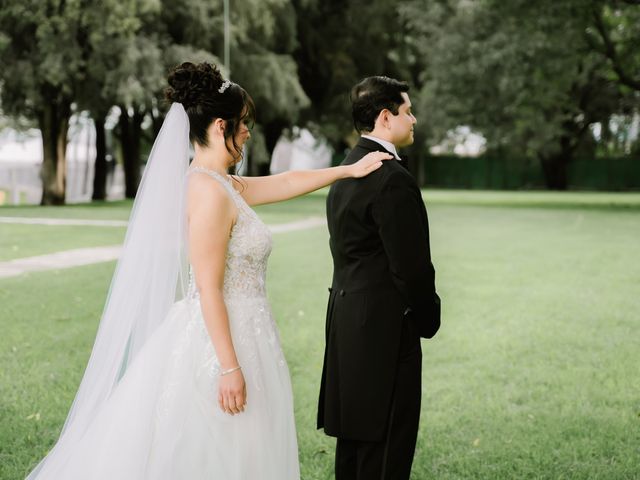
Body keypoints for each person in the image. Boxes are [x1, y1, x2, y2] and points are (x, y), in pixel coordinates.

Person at [25, 62, 391, 480]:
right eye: (243, 124)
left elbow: (286, 181)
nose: (248, 132)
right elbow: (208, 289)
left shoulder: (223, 184)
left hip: (249, 332)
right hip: (220, 343)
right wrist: (229, 368)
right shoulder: (207, 192)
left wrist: (347, 170)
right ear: (221, 126)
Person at [317, 76, 442, 479]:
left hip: (346, 323)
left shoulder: (345, 171)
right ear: (386, 117)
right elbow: (411, 267)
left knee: (354, 448)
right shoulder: (392, 178)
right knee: (387, 451)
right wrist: (428, 318)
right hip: (387, 331)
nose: (414, 119)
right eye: (408, 111)